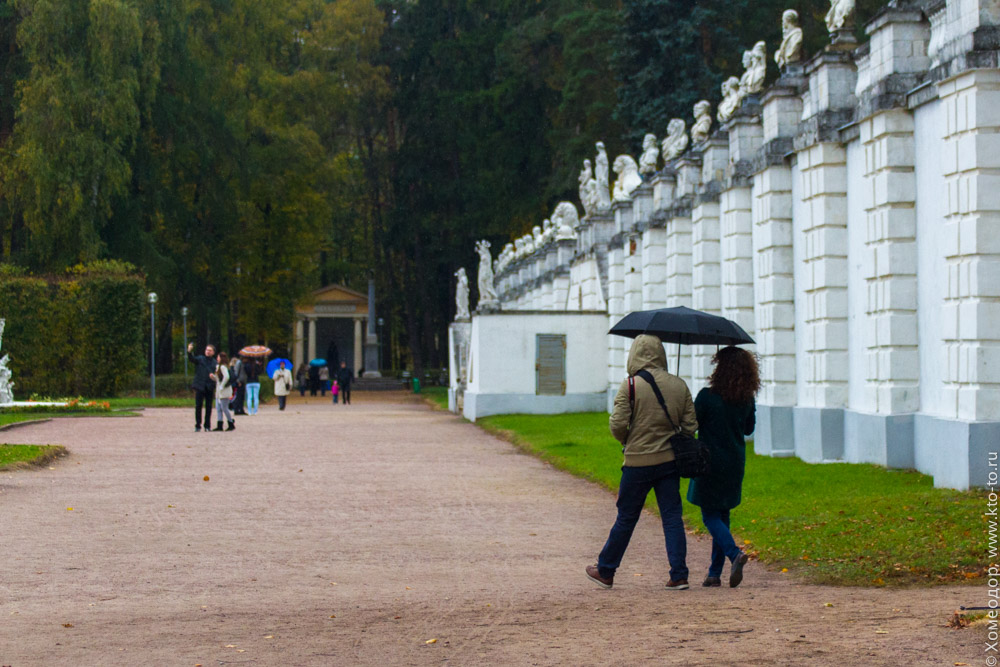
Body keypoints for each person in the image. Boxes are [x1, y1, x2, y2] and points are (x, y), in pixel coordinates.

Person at [586, 334, 697, 591]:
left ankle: (606, 571)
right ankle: (679, 574)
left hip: (636, 463)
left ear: (634, 354)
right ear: (661, 354)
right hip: (669, 461)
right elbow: (690, 426)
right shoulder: (679, 385)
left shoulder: (631, 385)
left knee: (626, 517)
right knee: (672, 517)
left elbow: (616, 423)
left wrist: (628, 440)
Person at [687, 346, 759, 588]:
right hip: (735, 462)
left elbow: (691, 424)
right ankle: (714, 573)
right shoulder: (747, 399)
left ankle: (733, 553)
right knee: (723, 513)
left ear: (720, 369)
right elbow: (749, 429)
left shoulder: (707, 397)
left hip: (709, 462)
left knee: (709, 515)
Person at [187, 342, 217, 433]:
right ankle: (198, 425)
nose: (207, 352)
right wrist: (189, 351)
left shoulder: (215, 363)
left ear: (213, 352)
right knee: (198, 406)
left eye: (210, 350)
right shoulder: (200, 359)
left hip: (209, 386)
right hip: (200, 386)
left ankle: (207, 426)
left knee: (208, 407)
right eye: (207, 350)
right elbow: (192, 359)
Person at [212, 352, 235, 432]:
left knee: (224, 408)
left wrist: (222, 385)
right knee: (218, 408)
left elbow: (226, 377)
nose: (217, 359)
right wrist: (213, 377)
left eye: (218, 357)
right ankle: (220, 424)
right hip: (219, 391)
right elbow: (218, 379)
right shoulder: (218, 367)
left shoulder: (223, 367)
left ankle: (231, 423)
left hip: (224, 391)